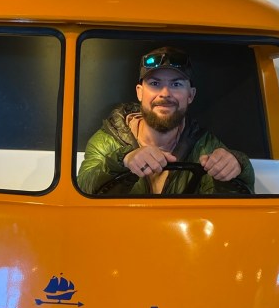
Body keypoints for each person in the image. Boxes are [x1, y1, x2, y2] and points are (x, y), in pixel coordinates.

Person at [77, 46, 254, 196]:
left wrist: (237, 166)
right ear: (139, 92)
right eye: (155, 84)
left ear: (190, 95)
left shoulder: (205, 146)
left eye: (176, 84)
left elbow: (231, 205)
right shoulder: (108, 140)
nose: (165, 94)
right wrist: (123, 160)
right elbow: (83, 188)